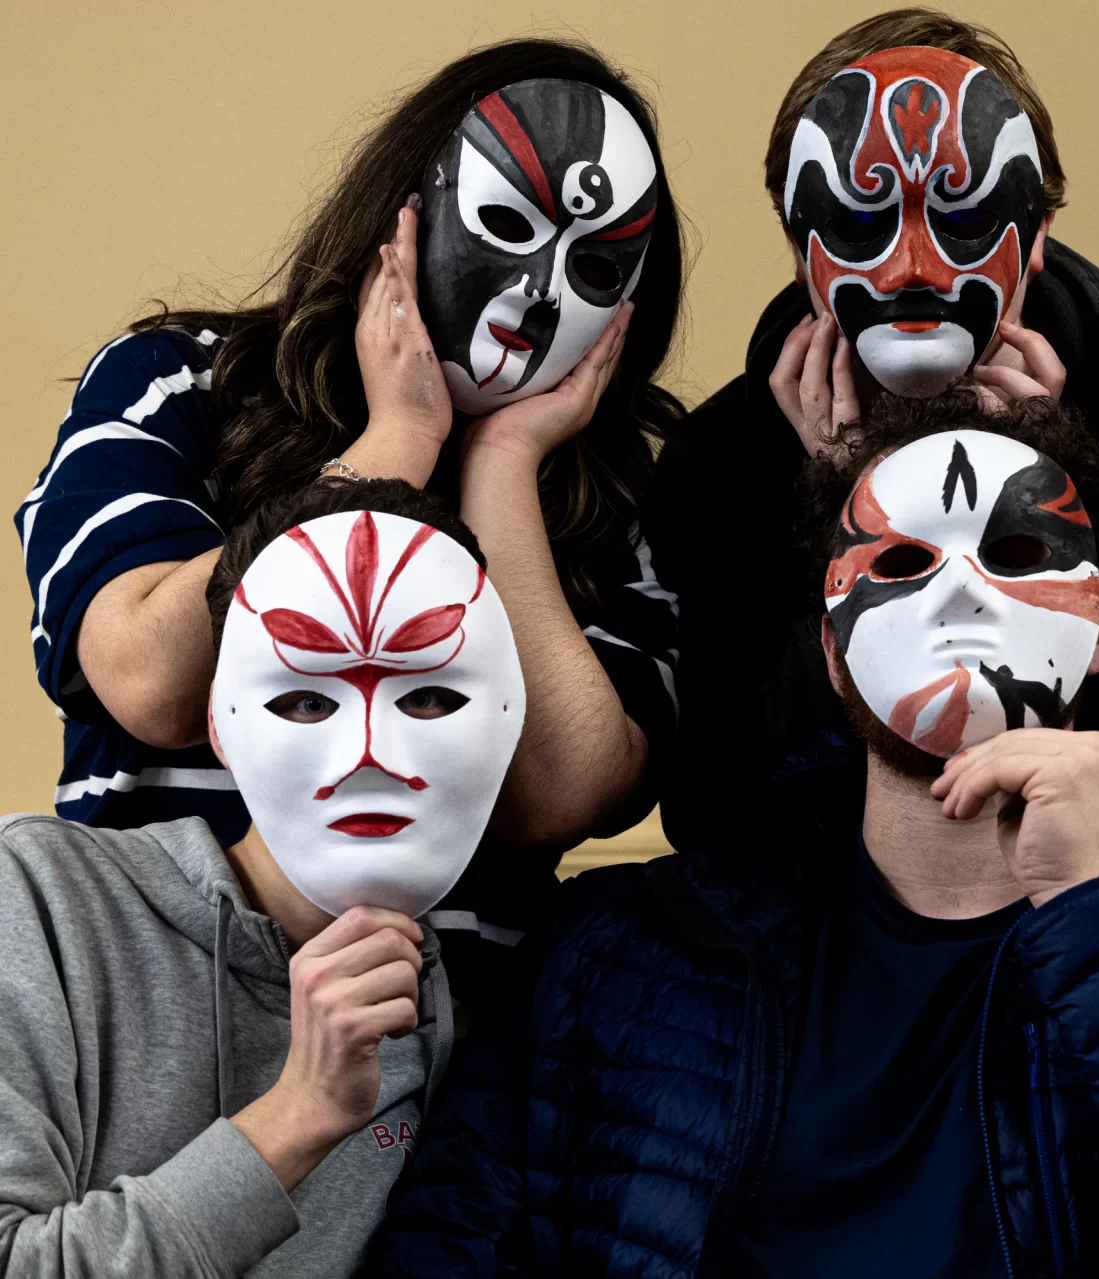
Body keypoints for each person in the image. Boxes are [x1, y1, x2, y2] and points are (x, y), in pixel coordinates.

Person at [367, 393, 1099, 1278]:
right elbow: (445, 1245)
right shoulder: (617, 954)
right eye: (902, 560)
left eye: (1017, 550)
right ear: (829, 650)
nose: (959, 590)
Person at [15, 40, 685, 991]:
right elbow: (153, 682)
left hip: (445, 1064)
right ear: (405, 211)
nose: (536, 295)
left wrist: (501, 467)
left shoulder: (619, 491)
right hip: (147, 1013)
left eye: (596, 265)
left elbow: (556, 797)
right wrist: (397, 441)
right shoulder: (175, 385)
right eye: (503, 223)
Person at [651, 9, 1099, 877]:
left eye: (963, 218)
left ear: (1034, 235)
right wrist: (845, 517)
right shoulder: (718, 461)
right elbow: (711, 806)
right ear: (800, 244)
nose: (911, 268)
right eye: (857, 223)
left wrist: (1058, 504)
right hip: (827, 945)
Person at [0, 480, 524, 1276]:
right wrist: (296, 1112)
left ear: (509, 714)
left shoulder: (452, 1011)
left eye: (428, 694)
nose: (369, 753)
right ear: (222, 721)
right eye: (308, 702)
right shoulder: (39, 899)